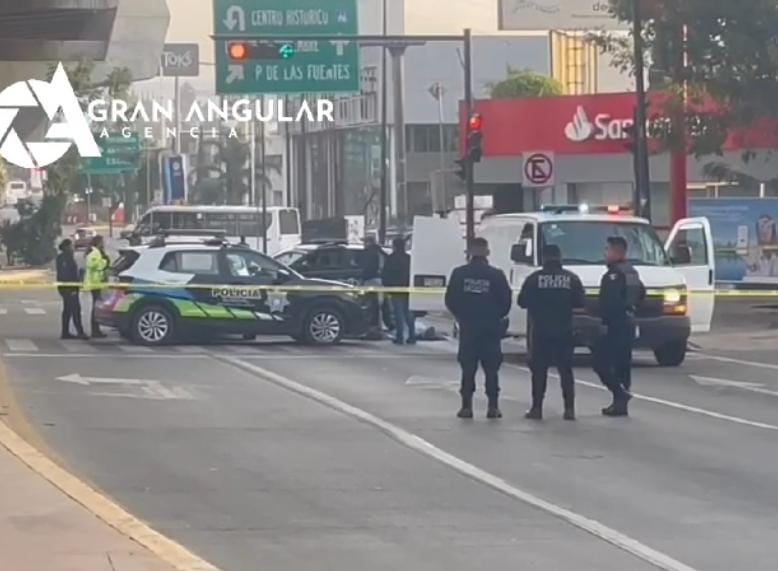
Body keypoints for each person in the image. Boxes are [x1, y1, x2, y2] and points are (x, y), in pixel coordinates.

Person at [445, 237, 512, 419]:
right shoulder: (496, 275)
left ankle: (466, 407)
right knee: (491, 369)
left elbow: (450, 299)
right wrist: (495, 317)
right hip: (490, 329)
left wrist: (462, 317)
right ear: (487, 253)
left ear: (469, 253)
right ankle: (493, 407)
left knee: (468, 368)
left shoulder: (459, 274)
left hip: (469, 328)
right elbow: (506, 301)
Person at [518, 245, 585, 420]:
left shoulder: (534, 279)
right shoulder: (571, 278)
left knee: (539, 371)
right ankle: (569, 409)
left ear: (544, 258)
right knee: (566, 371)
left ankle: (537, 408)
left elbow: (522, 302)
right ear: (560, 257)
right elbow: (580, 302)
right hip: (564, 330)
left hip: (540, 331)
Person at [593, 236, 645, 417]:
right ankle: (620, 404)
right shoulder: (632, 272)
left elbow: (610, 302)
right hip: (629, 322)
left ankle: (619, 394)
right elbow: (641, 294)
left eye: (607, 249)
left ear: (617, 252)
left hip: (616, 325)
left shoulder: (613, 275)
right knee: (623, 364)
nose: (604, 253)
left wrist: (604, 322)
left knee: (600, 362)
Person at [382, 237, 416, 345]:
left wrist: (387, 286)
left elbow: (386, 273)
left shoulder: (391, 258)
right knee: (409, 314)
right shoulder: (409, 258)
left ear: (395, 246)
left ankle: (400, 337)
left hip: (396, 289)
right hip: (408, 289)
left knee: (398, 314)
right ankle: (412, 336)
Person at [55, 239, 88, 340]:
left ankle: (65, 332)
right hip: (69, 288)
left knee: (68, 310)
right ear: (66, 247)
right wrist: (72, 287)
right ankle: (80, 332)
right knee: (75, 309)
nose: (73, 248)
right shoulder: (64, 258)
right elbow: (66, 274)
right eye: (71, 246)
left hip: (68, 287)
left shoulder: (66, 257)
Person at [83, 235, 110, 339]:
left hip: (97, 282)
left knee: (96, 307)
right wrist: (104, 262)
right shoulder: (95, 252)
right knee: (96, 308)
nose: (104, 244)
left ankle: (96, 329)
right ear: (99, 242)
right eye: (102, 242)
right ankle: (95, 330)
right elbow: (92, 265)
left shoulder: (97, 252)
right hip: (94, 283)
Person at [360, 235, 384, 329]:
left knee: (370, 304)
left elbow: (367, 267)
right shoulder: (380, 251)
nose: (364, 244)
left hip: (371, 280)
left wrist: (363, 279)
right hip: (380, 280)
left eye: (365, 242)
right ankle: (379, 325)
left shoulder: (369, 252)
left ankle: (372, 324)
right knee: (379, 304)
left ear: (369, 242)